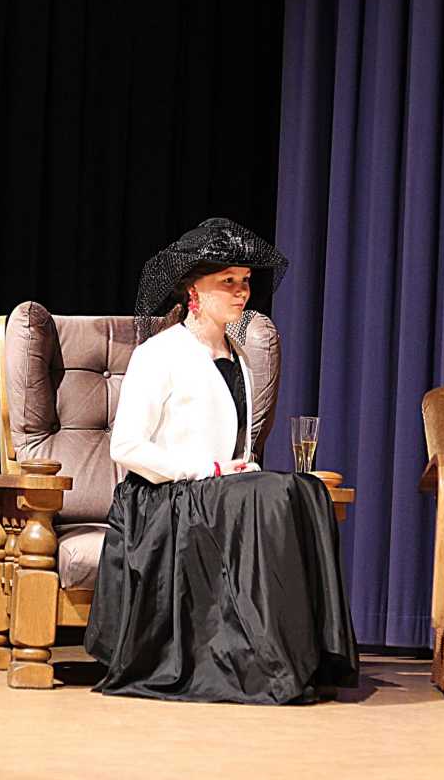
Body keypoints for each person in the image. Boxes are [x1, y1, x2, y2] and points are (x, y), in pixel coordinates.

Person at [83, 217, 358, 704]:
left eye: (245, 281)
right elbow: (126, 447)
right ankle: (268, 666)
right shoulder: (160, 354)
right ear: (194, 290)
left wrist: (237, 468)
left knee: (305, 490)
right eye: (227, 281)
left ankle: (306, 657)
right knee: (276, 492)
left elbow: (233, 447)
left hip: (214, 495)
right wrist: (204, 471)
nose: (241, 291)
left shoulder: (240, 356)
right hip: (163, 502)